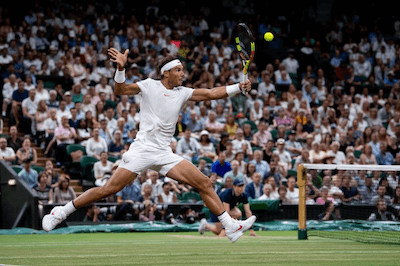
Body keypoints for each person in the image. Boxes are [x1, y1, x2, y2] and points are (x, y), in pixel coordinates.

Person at [43, 50, 255, 242]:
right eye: (178, 70)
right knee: (109, 189)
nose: (183, 74)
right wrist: (120, 68)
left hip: (164, 153)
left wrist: (238, 87)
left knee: (204, 183)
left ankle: (230, 226)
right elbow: (120, 90)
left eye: (183, 70)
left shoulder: (183, 92)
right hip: (142, 150)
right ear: (166, 73)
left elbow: (210, 93)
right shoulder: (149, 85)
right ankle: (61, 212)